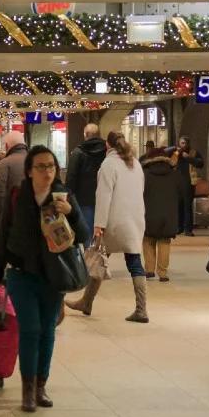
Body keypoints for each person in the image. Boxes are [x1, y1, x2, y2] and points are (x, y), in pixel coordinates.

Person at [0, 145, 88, 412]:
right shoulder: (17, 196)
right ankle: (26, 389)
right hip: (22, 274)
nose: (47, 172)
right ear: (29, 171)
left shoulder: (64, 195)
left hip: (54, 275)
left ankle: (40, 386)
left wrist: (71, 212)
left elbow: (84, 236)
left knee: (47, 330)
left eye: (51, 166)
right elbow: (3, 234)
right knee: (30, 329)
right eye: (41, 167)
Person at [66, 132, 148, 322]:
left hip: (114, 221)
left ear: (107, 145)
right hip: (134, 220)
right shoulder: (135, 164)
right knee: (133, 262)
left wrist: (98, 225)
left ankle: (86, 302)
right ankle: (141, 309)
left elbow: (103, 197)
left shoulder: (108, 165)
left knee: (98, 259)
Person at [0, 132, 28, 268]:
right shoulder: (36, 161)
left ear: (7, 145)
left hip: (10, 223)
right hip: (36, 224)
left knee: (10, 262)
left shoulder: (4, 165)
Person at [140, 148, 179, 282]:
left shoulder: (145, 174)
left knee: (148, 240)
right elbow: (179, 192)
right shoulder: (173, 173)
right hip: (168, 213)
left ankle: (149, 270)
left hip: (149, 211)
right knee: (164, 241)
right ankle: (163, 273)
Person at [65, 123, 106, 232]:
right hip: (104, 198)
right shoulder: (107, 152)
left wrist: (68, 197)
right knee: (102, 232)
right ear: (99, 134)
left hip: (83, 200)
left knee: (86, 231)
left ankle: (88, 248)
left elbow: (71, 178)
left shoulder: (78, 153)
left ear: (85, 135)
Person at [167, 137, 204, 236]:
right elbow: (170, 164)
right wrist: (175, 152)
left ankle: (188, 229)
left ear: (188, 144)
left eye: (184, 143)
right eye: (181, 143)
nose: (183, 145)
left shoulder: (193, 152)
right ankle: (179, 228)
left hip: (189, 183)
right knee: (178, 206)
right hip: (177, 183)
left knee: (187, 206)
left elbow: (200, 163)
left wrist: (188, 158)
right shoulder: (176, 153)